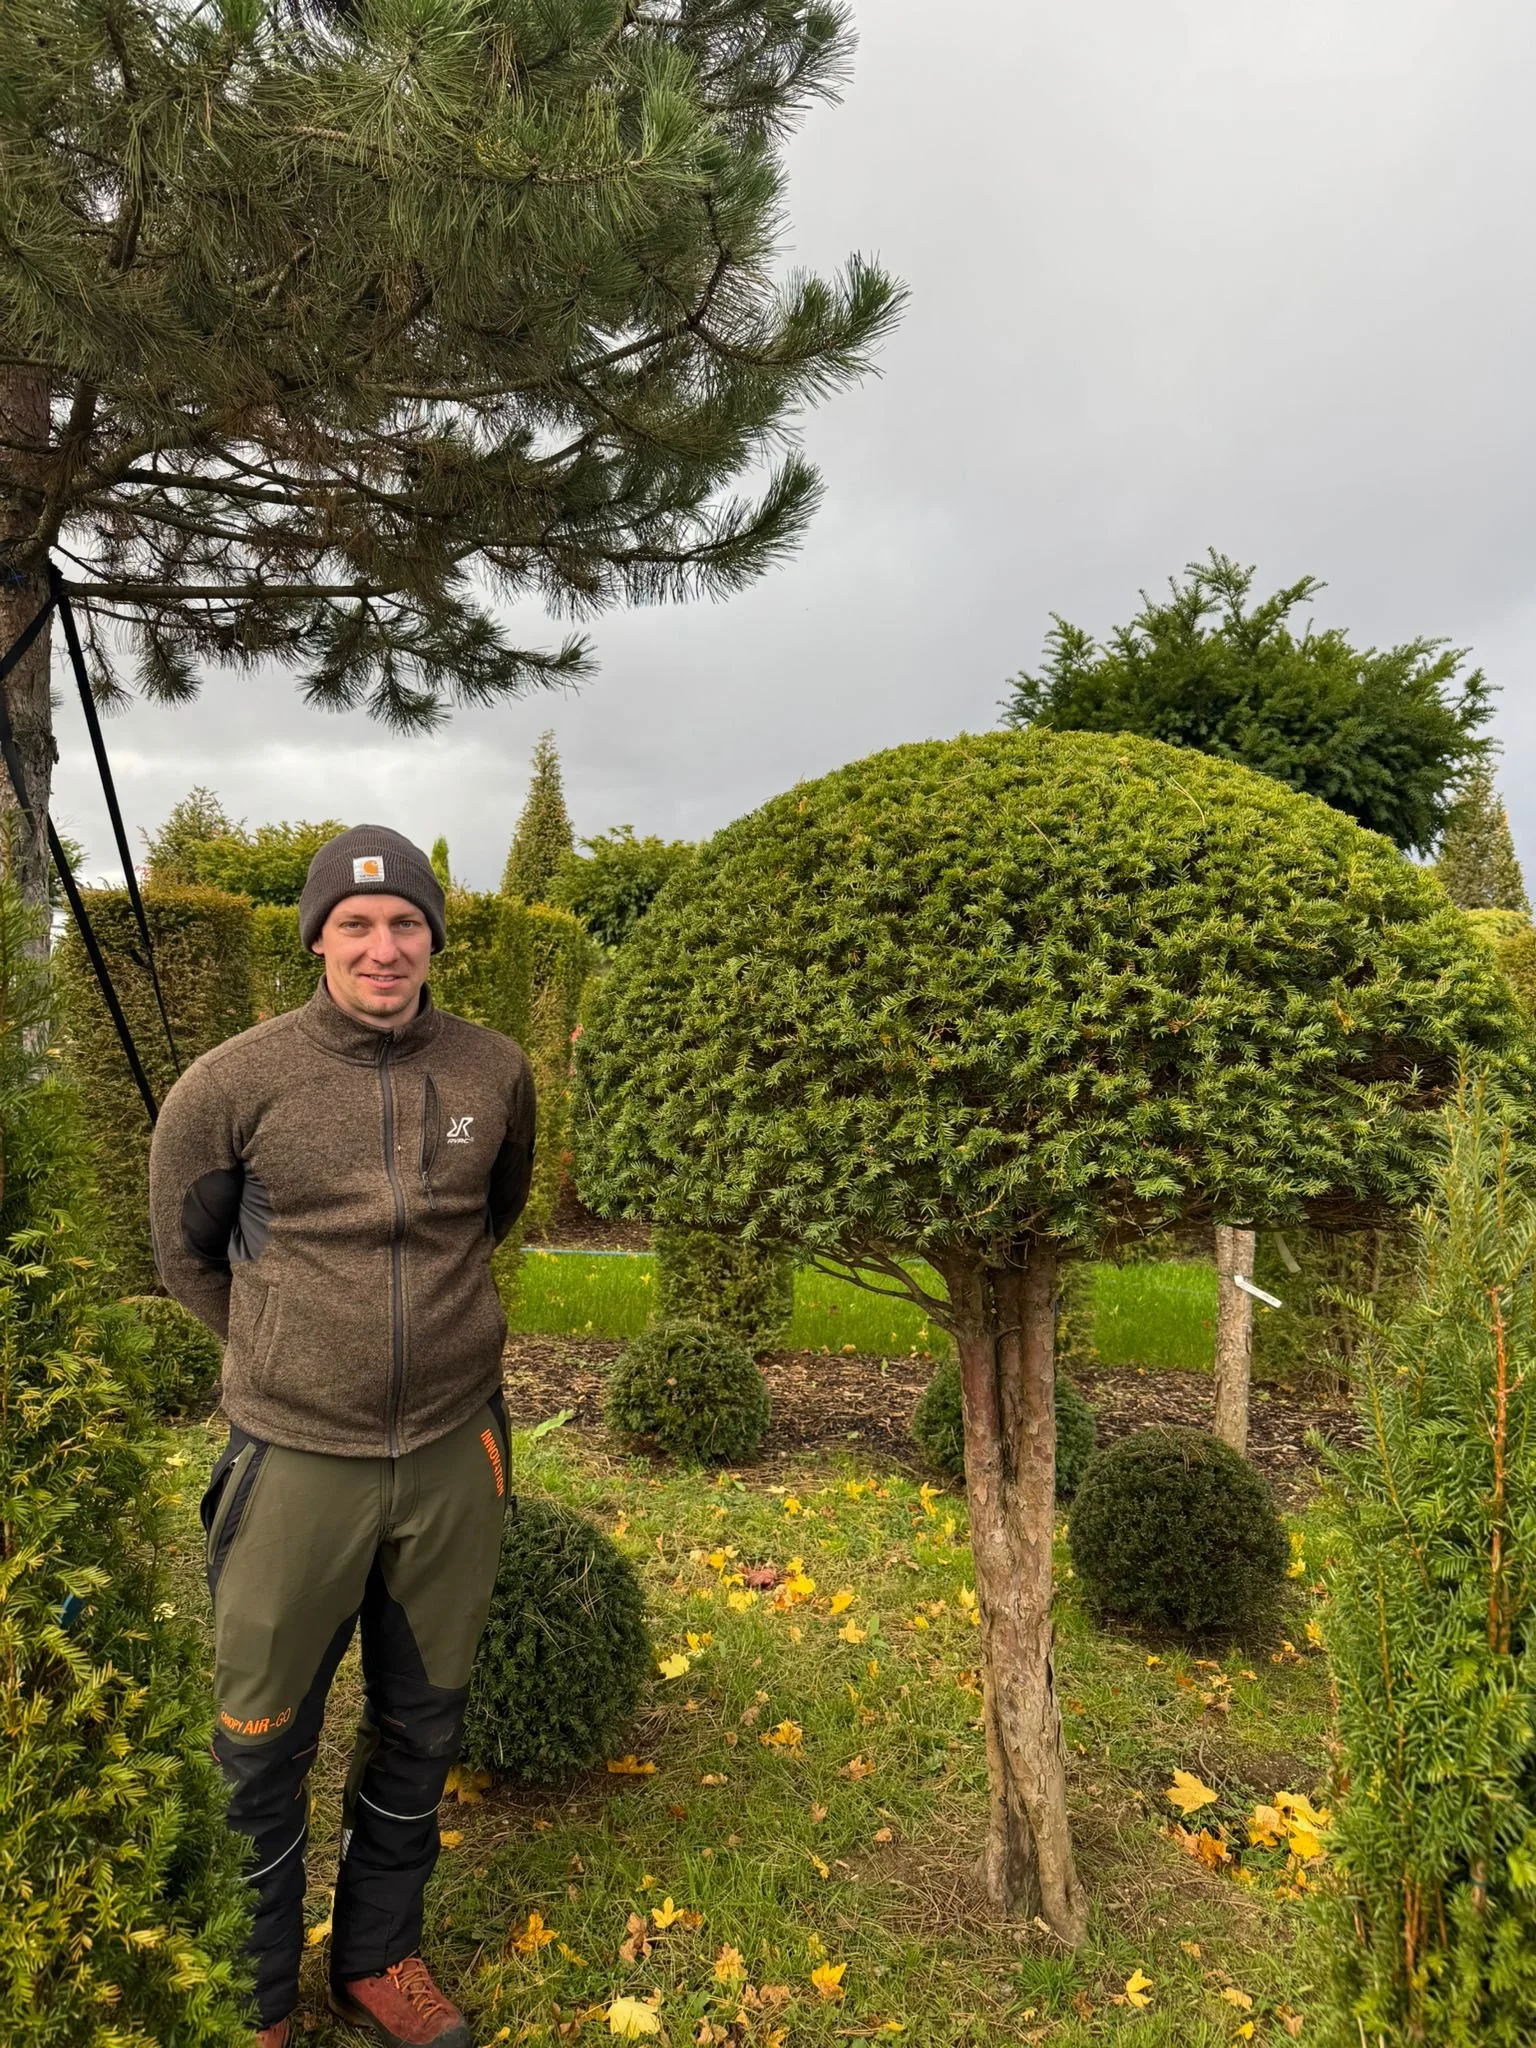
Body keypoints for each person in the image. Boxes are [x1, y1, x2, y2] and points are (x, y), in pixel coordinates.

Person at [149, 825, 536, 2048]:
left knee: (423, 1722)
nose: (383, 945)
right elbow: (186, 1252)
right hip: (294, 1461)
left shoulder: (494, 1071)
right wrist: (289, 1354)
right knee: (259, 1742)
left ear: (434, 936)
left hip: (454, 1453)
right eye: (356, 924)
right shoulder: (232, 1084)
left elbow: (494, 1214)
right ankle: (256, 1995)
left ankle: (377, 1954)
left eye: (406, 921)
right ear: (317, 936)